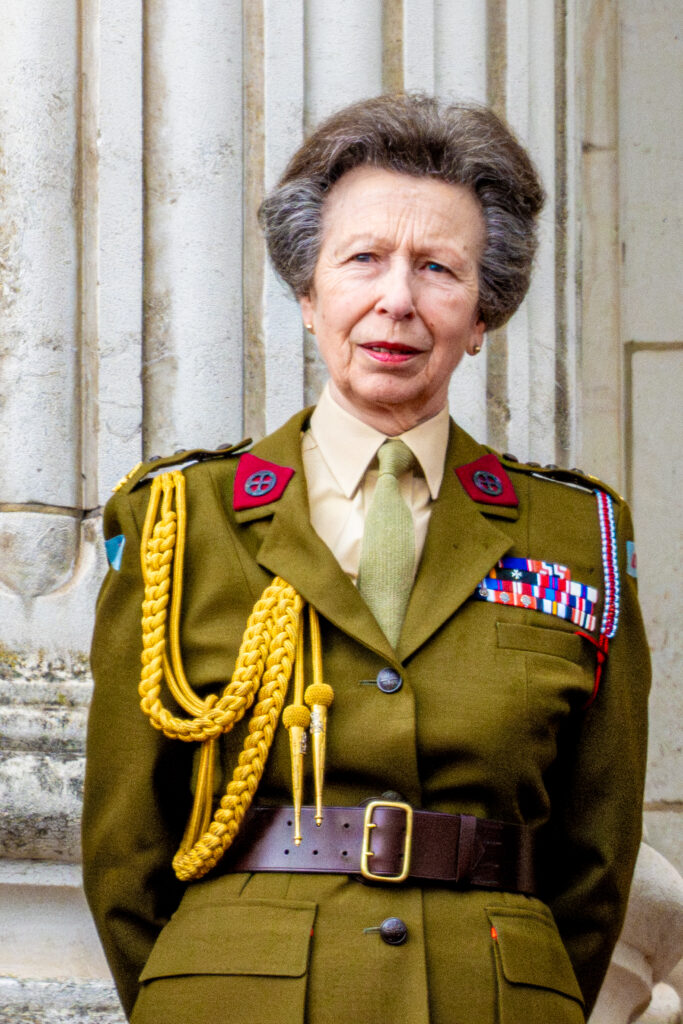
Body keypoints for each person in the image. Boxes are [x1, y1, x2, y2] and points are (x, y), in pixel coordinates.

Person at [83, 94, 650, 1024]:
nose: (397, 300)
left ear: (482, 315)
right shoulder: (180, 520)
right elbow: (122, 849)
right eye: (362, 261)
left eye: (438, 268)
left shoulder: (571, 534)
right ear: (309, 296)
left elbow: (594, 858)